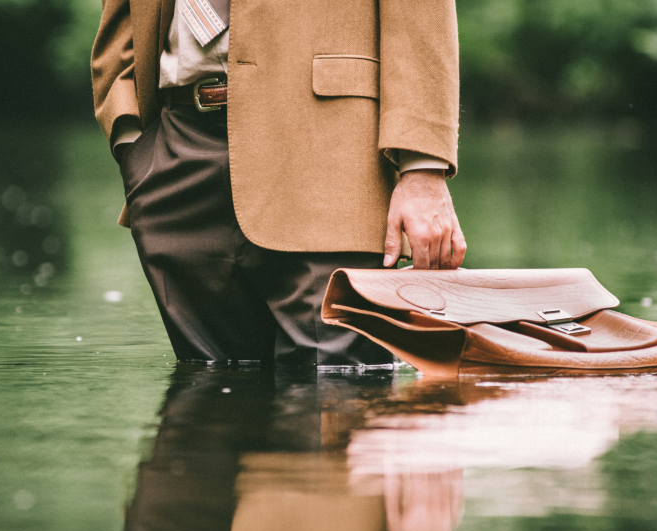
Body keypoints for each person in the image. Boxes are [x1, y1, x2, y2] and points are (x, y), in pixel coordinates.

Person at [91, 0, 465, 366]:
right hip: (178, 153)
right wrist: (130, 141)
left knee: (334, 402)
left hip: (333, 152)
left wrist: (423, 165)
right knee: (209, 410)